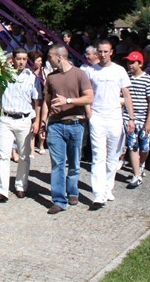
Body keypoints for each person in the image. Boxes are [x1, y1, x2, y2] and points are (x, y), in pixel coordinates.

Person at [42, 44, 93, 214]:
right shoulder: (50, 78)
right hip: (55, 125)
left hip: (75, 124)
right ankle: (58, 200)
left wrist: (68, 101)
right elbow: (46, 102)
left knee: (74, 163)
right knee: (57, 164)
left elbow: (89, 98)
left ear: (59, 57)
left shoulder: (79, 74)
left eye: (49, 56)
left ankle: (72, 191)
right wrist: (43, 122)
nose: (47, 60)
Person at [87, 39, 136, 210]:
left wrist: (131, 118)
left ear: (111, 52)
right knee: (98, 156)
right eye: (100, 51)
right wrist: (89, 114)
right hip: (98, 117)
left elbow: (127, 95)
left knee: (113, 157)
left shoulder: (119, 70)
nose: (102, 55)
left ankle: (108, 187)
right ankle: (98, 194)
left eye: (105, 51)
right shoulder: (91, 71)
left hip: (115, 117)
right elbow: (87, 94)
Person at [0, 49, 40, 203]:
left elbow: (37, 101)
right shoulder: (4, 75)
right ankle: (1, 190)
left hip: (24, 119)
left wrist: (37, 120)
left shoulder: (32, 78)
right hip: (6, 119)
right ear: (12, 59)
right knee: (3, 155)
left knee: (24, 156)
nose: (21, 62)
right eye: (18, 59)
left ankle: (20, 185)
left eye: (24, 59)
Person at [123, 51, 150, 189]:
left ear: (140, 63)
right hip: (128, 117)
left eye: (132, 62)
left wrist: (149, 121)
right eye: (128, 62)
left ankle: (141, 164)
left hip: (143, 118)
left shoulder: (148, 79)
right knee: (132, 145)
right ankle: (136, 174)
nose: (130, 65)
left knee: (145, 147)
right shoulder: (126, 78)